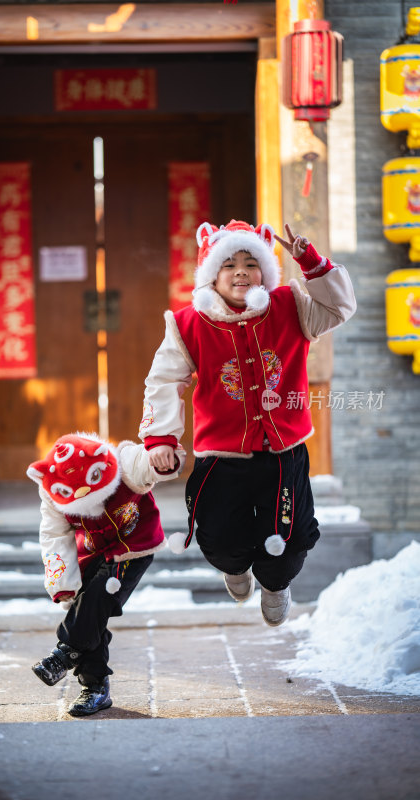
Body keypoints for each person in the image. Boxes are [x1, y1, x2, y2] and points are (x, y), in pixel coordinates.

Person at [139, 220, 356, 626]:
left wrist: (310, 262)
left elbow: (339, 308)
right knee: (220, 538)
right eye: (229, 264)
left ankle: (275, 585)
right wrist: (162, 438)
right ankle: (236, 569)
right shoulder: (188, 324)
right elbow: (165, 379)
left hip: (284, 453)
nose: (241, 271)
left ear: (265, 273)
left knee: (288, 541)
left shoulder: (291, 305)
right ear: (212, 276)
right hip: (221, 456)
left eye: (251, 262)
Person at [27, 432, 184, 716]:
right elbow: (53, 536)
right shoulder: (53, 493)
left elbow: (144, 462)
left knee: (100, 593)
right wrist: (61, 583)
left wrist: (163, 457)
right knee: (89, 608)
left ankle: (65, 652)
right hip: (93, 551)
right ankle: (95, 687)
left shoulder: (122, 463)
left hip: (132, 546)